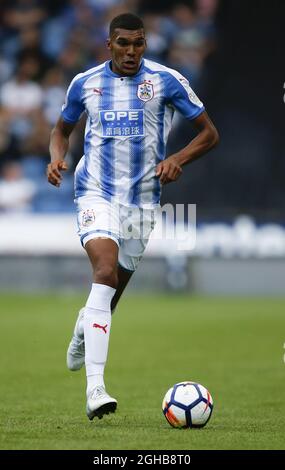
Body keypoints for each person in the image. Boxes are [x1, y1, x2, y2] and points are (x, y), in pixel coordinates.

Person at [47, 13, 219, 421]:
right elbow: (61, 129)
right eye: (123, 43)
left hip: (143, 201)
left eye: (138, 43)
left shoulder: (166, 81)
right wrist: (57, 158)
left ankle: (81, 328)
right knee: (104, 272)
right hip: (96, 191)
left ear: (145, 44)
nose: (131, 51)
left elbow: (209, 133)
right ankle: (96, 390)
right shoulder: (84, 83)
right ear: (109, 44)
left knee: (112, 290)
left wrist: (177, 158)